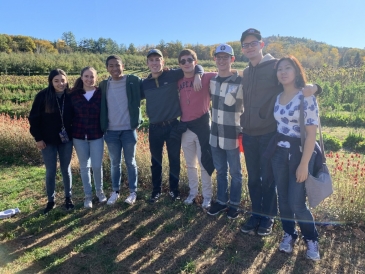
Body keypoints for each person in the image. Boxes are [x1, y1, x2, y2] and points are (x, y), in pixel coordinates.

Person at [239, 28, 320, 236]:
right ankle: (256, 214)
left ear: (261, 44)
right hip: (248, 133)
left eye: (253, 43)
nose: (249, 48)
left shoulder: (275, 66)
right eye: (245, 45)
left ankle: (268, 217)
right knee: (253, 178)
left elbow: (298, 82)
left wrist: (317, 87)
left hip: (269, 134)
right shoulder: (246, 72)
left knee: (268, 178)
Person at [266, 55, 320, 261]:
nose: (283, 72)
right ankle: (289, 233)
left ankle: (311, 239)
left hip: (299, 153)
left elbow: (311, 134)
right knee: (283, 199)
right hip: (279, 153)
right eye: (280, 69)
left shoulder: (306, 96)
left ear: (296, 71)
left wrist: (304, 164)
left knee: (297, 203)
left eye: (288, 68)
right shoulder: (278, 97)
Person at [142, 49, 203, 204]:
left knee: (174, 160)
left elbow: (195, 65)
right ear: (148, 63)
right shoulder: (144, 84)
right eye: (152, 60)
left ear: (163, 62)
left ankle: (173, 191)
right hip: (154, 127)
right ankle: (156, 191)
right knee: (156, 162)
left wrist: (198, 75)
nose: (155, 63)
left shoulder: (172, 75)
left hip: (173, 126)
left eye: (158, 59)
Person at [28, 69, 74, 214]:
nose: (60, 83)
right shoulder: (43, 96)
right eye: (56, 81)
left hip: (66, 140)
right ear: (51, 81)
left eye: (63, 80)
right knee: (50, 170)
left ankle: (68, 198)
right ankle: (51, 200)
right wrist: (38, 138)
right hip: (47, 141)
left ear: (67, 80)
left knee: (66, 169)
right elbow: (34, 118)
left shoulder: (71, 95)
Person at [206, 44, 243, 219]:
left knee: (235, 172)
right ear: (215, 59)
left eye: (225, 57)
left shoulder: (240, 82)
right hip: (215, 134)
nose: (221, 60)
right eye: (218, 57)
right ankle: (221, 202)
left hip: (232, 134)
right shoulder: (212, 81)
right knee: (221, 171)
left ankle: (234, 205)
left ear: (232, 59)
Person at [100, 55, 143, 205]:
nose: (114, 68)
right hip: (111, 132)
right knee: (114, 163)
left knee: (130, 162)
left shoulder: (133, 81)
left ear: (123, 66)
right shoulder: (104, 85)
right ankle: (115, 191)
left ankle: (133, 192)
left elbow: (148, 87)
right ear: (107, 68)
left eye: (117, 65)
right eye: (111, 66)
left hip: (128, 130)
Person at [177, 49, 216, 209]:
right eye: (183, 61)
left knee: (204, 163)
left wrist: (199, 74)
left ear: (195, 61)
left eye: (189, 60)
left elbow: (228, 72)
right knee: (190, 164)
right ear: (179, 64)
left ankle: (207, 196)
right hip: (185, 127)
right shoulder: (178, 80)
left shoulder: (207, 77)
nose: (186, 63)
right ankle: (193, 193)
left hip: (203, 126)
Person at [71, 67, 106, 209]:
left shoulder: (100, 94)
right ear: (81, 77)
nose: (89, 79)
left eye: (92, 77)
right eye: (86, 76)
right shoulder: (73, 95)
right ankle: (88, 196)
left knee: (97, 166)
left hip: (96, 135)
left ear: (96, 78)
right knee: (84, 167)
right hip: (78, 136)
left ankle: (100, 191)